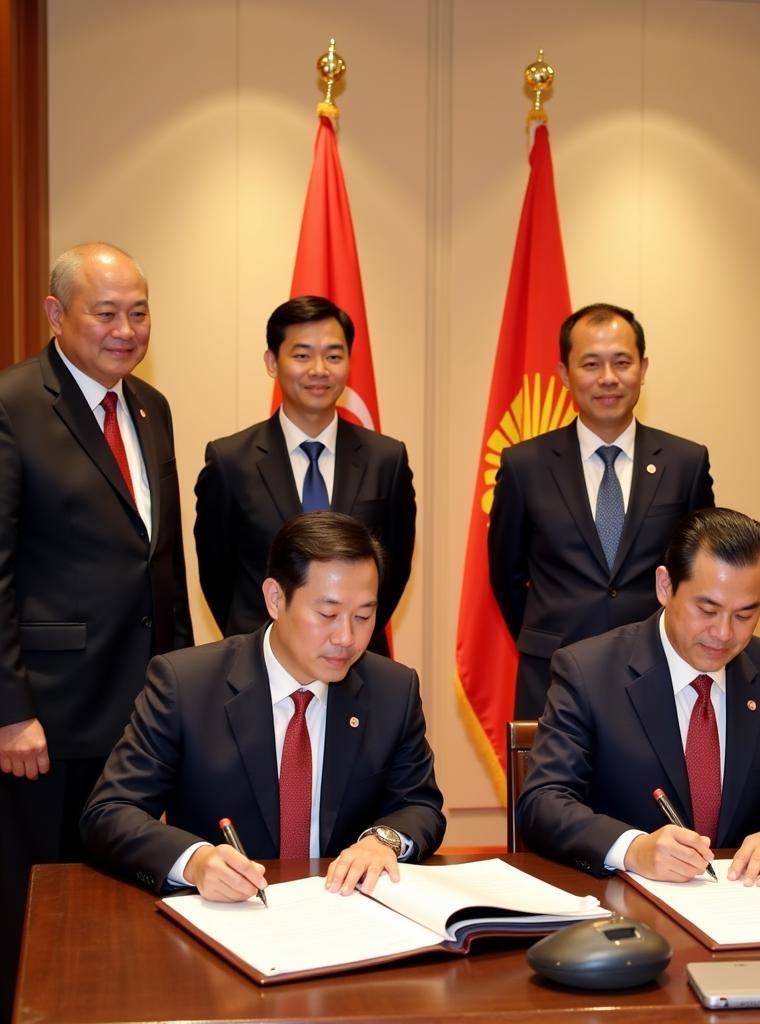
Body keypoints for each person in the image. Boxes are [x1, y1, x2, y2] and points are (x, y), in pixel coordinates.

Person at [0, 242, 193, 1017]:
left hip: (140, 709)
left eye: (138, 312)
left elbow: (162, 559)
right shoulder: (13, 403)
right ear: (56, 313)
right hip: (46, 718)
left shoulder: (152, 407)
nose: (126, 329)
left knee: (122, 897)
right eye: (105, 312)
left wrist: (183, 695)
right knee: (33, 904)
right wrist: (9, 710)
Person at [81, 511, 445, 901]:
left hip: (343, 914)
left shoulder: (392, 689)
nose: (346, 637)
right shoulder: (185, 683)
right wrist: (196, 861)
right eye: (327, 614)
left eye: (363, 616)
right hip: (224, 919)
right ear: (275, 598)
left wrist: (382, 841)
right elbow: (110, 811)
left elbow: (419, 805)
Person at [517, 507, 760, 884]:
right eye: (706, 609)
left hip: (740, 904)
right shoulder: (589, 671)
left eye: (745, 615)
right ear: (665, 586)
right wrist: (633, 848)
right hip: (622, 906)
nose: (723, 633)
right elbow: (543, 802)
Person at [488, 302, 715, 718]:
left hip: (658, 673)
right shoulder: (524, 466)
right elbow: (507, 575)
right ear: (564, 374)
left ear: (643, 369)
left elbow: (698, 571)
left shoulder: (685, 463)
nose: (608, 378)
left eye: (622, 362)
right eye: (591, 364)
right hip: (553, 673)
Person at [194, 295, 415, 657]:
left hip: (356, 660)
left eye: (333, 355)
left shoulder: (386, 459)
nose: (319, 369)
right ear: (272, 362)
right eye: (301, 355)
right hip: (258, 662)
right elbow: (218, 577)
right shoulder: (230, 461)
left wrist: (351, 636)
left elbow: (393, 571)